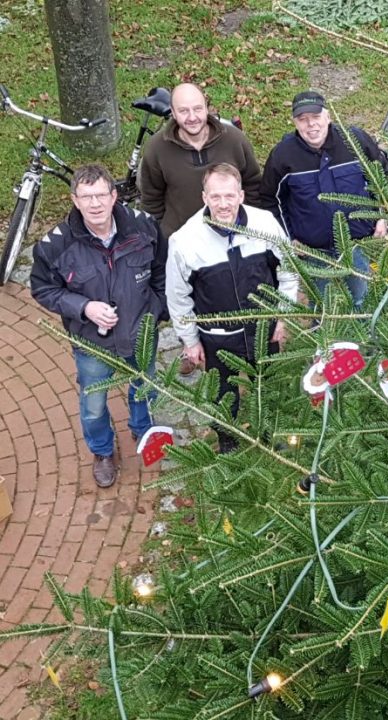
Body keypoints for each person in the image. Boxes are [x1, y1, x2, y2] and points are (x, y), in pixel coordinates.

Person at [30, 165, 167, 487]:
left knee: (144, 388)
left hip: (140, 334)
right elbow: (43, 289)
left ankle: (143, 429)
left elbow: (162, 272)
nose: (95, 204)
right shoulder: (54, 246)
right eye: (86, 197)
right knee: (93, 405)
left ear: (114, 195)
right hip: (91, 343)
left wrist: (155, 313)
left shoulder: (143, 228)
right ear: (74, 200)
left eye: (101, 195)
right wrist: (84, 307)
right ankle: (103, 451)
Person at [165, 163, 298, 453]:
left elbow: (288, 270)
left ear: (240, 195)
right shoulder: (184, 241)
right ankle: (228, 441)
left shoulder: (265, 224)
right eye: (215, 197)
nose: (223, 204)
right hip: (217, 337)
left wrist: (283, 317)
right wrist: (189, 340)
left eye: (229, 196)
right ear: (204, 198)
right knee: (222, 394)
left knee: (269, 383)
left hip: (263, 329)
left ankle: (272, 433)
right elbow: (178, 297)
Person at [139, 82, 262, 375]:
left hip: (233, 235)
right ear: (173, 112)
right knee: (188, 297)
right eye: (183, 111)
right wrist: (165, 235)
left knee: (235, 289)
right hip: (185, 241)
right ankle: (192, 346)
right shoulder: (157, 148)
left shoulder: (233, 139)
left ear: (207, 107)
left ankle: (252, 347)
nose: (192, 117)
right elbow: (151, 197)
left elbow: (253, 182)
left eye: (197, 109)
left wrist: (252, 225)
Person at [256, 90, 388, 309]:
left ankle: (366, 340)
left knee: (362, 299)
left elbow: (381, 175)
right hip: (313, 249)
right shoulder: (282, 155)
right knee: (323, 305)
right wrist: (288, 238)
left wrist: (382, 215)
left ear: (328, 117)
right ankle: (324, 340)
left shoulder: (354, 141)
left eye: (316, 117)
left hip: (358, 242)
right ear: (295, 123)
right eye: (303, 120)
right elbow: (271, 200)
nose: (311, 125)